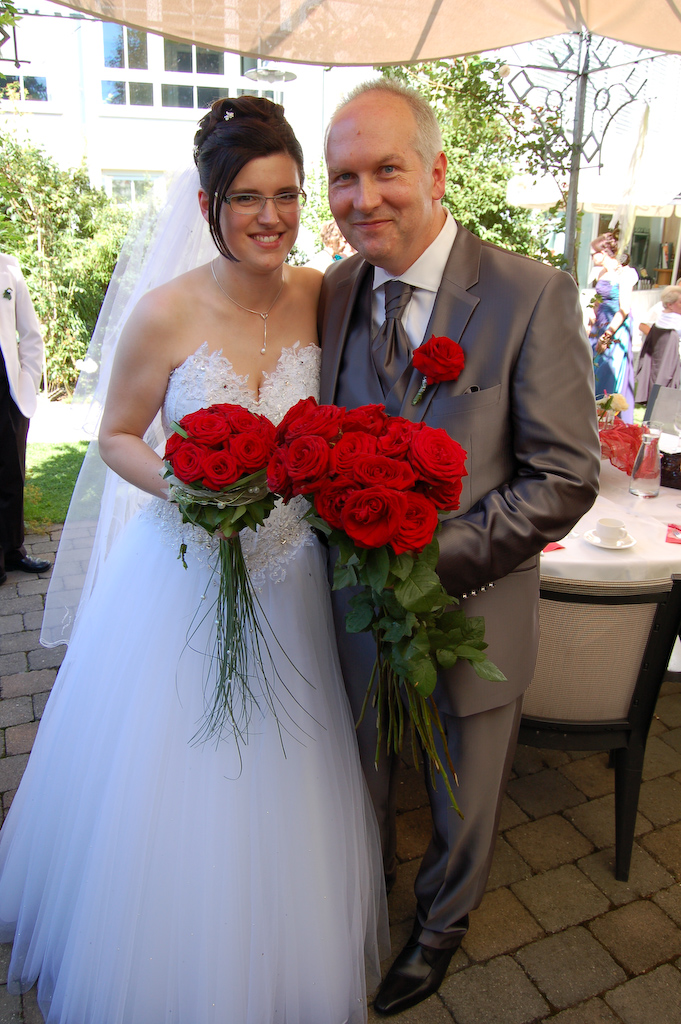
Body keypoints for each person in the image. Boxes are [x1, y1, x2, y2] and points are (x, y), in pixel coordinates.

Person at [0, 96, 386, 1024]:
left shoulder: (324, 294)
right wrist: (189, 489)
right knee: (179, 768)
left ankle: (280, 952)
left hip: (292, 577)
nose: (270, 216)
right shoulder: (165, 313)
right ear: (209, 204)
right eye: (246, 196)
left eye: (286, 194)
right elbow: (117, 437)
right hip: (185, 575)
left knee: (288, 765)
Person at [319, 79, 600, 1017]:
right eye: (343, 177)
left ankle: (439, 930)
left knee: (462, 798)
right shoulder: (335, 291)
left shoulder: (529, 292)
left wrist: (426, 560)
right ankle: (365, 901)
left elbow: (563, 477)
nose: (364, 198)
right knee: (363, 774)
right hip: (354, 614)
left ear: (437, 172)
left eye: (386, 170)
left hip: (475, 613)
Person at [0, 252, 51, 585]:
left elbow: (30, 333)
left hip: (7, 389)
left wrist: (28, 381)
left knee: (11, 472)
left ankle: (13, 551)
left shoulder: (8, 267)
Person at [589, 233, 636, 422]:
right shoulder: (601, 273)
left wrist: (607, 335)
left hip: (615, 329)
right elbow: (597, 300)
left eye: (593, 253)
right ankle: (590, 415)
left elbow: (624, 308)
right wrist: (591, 320)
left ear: (603, 253)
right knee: (592, 369)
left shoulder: (625, 274)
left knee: (607, 371)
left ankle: (607, 418)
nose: (591, 257)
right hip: (599, 326)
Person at [635, 284, 681, 403]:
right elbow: (642, 325)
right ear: (670, 305)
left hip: (655, 370)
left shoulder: (660, 322)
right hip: (669, 368)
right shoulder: (675, 325)